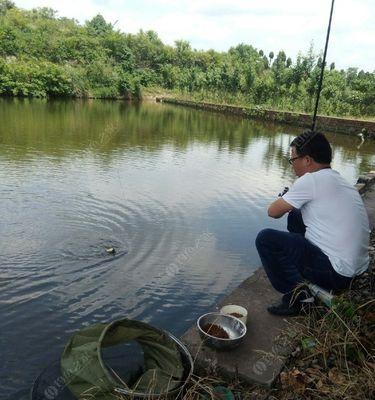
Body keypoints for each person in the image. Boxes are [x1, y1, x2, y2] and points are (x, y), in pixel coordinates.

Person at [255, 130, 370, 316]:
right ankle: (305, 279)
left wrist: (290, 195)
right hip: (355, 270)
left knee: (265, 239)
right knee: (295, 214)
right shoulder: (340, 180)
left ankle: (299, 299)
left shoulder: (310, 181)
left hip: (337, 274)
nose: (292, 164)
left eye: (293, 160)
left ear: (307, 160)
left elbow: (273, 212)